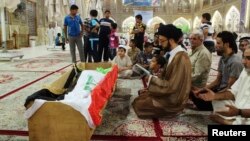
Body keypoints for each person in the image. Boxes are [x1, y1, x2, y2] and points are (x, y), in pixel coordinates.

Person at [132, 24, 192, 119]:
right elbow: (167, 78)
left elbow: (172, 87)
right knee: (141, 96)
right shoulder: (174, 54)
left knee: (139, 104)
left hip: (174, 100)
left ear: (171, 40)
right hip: (169, 92)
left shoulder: (181, 57)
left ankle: (173, 112)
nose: (160, 44)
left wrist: (152, 79)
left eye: (162, 41)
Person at [192, 31, 244, 111]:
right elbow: (217, 81)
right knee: (196, 94)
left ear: (227, 44)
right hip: (220, 90)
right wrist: (202, 90)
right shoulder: (223, 58)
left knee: (201, 101)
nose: (216, 46)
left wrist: (215, 96)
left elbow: (230, 88)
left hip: (227, 94)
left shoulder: (235, 62)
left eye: (218, 43)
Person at [197, 48, 250, 125]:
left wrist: (239, 112)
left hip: (243, 112)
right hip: (240, 108)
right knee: (217, 101)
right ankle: (234, 120)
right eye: (244, 57)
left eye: (249, 58)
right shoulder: (246, 71)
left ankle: (229, 122)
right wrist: (215, 96)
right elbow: (233, 92)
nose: (243, 61)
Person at [188, 30, 212, 108]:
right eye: (190, 38)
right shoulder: (192, 51)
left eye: (194, 39)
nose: (191, 40)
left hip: (197, 86)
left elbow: (197, 74)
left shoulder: (203, 53)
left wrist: (182, 81)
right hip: (189, 82)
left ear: (201, 40)